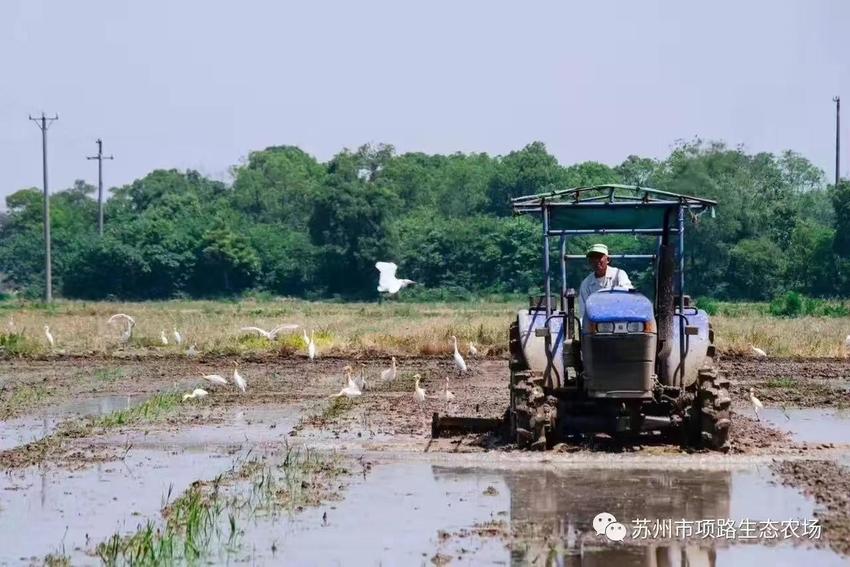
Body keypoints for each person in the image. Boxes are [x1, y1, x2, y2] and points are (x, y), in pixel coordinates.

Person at [578, 243, 632, 317]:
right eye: (592, 258)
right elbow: (583, 311)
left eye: (599, 257)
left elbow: (628, 297)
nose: (596, 261)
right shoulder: (586, 284)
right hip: (596, 323)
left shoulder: (619, 275)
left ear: (608, 260)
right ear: (589, 262)